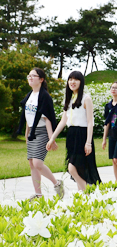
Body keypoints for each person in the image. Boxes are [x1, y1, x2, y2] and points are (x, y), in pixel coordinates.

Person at [46, 71, 101, 191]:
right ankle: (83, 195)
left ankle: (87, 189)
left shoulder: (86, 99)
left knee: (72, 168)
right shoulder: (70, 99)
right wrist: (52, 138)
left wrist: (88, 142)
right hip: (72, 135)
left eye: (76, 79)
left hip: (82, 135)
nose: (72, 82)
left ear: (81, 82)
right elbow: (63, 121)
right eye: (70, 79)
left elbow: (90, 122)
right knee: (78, 169)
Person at [18, 67, 64, 199]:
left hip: (43, 132)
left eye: (33, 76)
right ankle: (38, 194)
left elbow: (47, 118)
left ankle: (57, 184)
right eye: (29, 76)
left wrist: (51, 139)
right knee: (32, 164)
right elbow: (28, 116)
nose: (30, 78)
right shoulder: (29, 95)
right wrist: (27, 133)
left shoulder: (44, 96)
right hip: (32, 132)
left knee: (38, 163)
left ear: (41, 79)